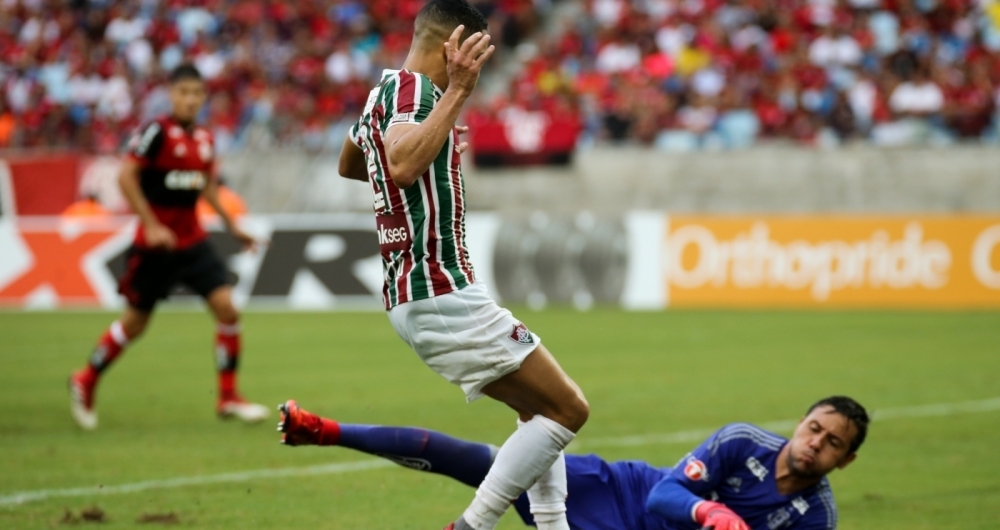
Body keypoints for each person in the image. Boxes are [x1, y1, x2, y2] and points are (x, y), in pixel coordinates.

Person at [330, 1, 589, 529]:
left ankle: (553, 525)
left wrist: (436, 137)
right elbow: (400, 165)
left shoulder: (385, 92)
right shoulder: (418, 92)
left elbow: (354, 163)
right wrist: (455, 96)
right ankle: (472, 525)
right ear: (452, 47)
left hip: (420, 294)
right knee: (568, 410)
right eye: (474, 54)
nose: (475, 69)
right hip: (437, 288)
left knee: (538, 411)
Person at [278, 396, 867, 530]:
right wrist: (711, 512)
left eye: (833, 442)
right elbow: (665, 496)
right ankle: (326, 430)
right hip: (623, 495)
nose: (816, 442)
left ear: (845, 460)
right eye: (814, 427)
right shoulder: (743, 442)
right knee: (481, 466)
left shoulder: (815, 517)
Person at [68, 64, 268, 430]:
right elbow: (126, 176)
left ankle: (227, 396)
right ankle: (86, 378)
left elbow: (207, 188)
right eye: (184, 92)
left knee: (227, 309)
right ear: (172, 95)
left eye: (196, 93)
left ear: (204, 97)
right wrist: (151, 224)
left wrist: (234, 227)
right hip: (155, 246)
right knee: (135, 323)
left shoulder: (205, 139)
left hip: (192, 240)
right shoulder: (155, 132)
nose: (190, 99)